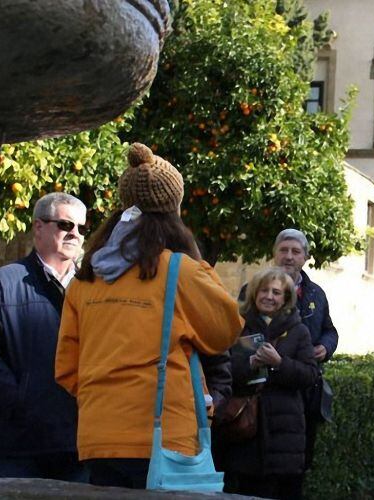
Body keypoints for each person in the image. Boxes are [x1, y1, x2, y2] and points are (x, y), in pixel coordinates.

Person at [54, 143, 242, 488]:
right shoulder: (180, 271)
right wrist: (198, 263)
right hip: (165, 438)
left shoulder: (86, 278)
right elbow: (226, 329)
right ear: (174, 211)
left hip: (99, 437)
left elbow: (66, 368)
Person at [0, 192, 89, 481]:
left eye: (82, 228)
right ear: (38, 227)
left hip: (78, 450)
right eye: (66, 225)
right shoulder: (0, 285)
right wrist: (22, 405)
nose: (75, 235)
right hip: (15, 450)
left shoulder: (93, 290)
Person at [218, 267, 318, 499]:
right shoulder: (239, 326)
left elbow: (310, 375)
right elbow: (223, 369)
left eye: (276, 292)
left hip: (285, 433)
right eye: (264, 290)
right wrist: (250, 362)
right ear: (254, 293)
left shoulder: (298, 331)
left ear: (285, 299)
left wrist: (279, 363)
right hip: (245, 433)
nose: (269, 297)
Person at [271, 228, 338, 473]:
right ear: (275, 254)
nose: (289, 256)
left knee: (298, 463)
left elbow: (330, 330)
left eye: (295, 252)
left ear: (305, 257)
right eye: (284, 250)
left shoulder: (315, 294)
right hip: (267, 391)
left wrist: (325, 347)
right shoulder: (257, 289)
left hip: (305, 391)